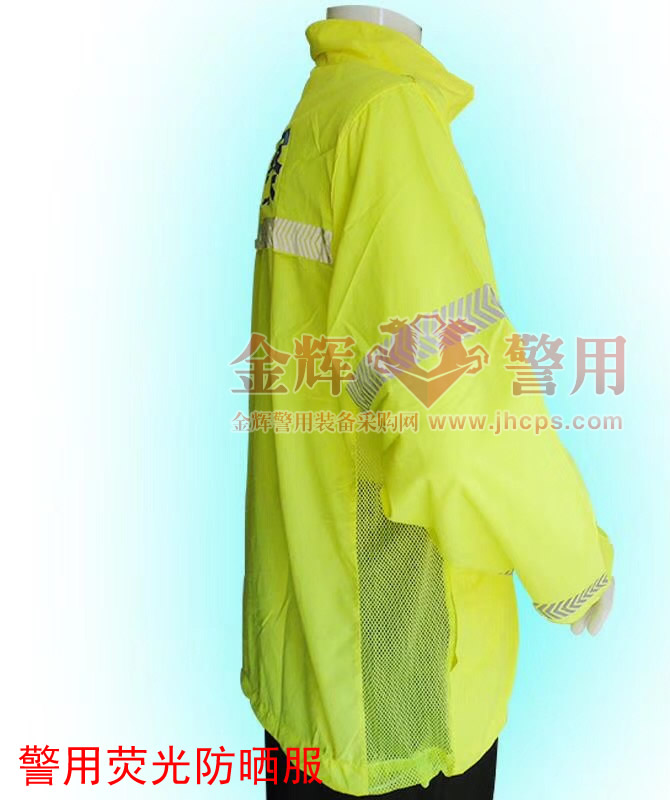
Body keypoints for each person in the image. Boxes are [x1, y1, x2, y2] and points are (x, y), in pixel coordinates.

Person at [241, 7, 616, 798]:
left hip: (307, 675)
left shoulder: (316, 114)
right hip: (399, 700)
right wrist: (574, 566)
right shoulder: (386, 119)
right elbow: (459, 424)